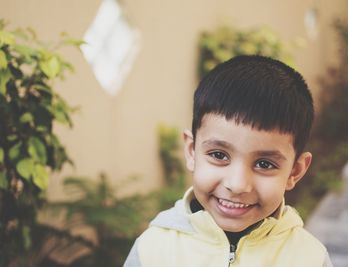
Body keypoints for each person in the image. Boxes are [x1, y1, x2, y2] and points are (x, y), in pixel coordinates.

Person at [124, 55, 333, 267]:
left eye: (264, 164)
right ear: (191, 151)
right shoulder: (153, 250)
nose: (237, 184)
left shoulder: (310, 259)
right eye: (219, 155)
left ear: (294, 172)